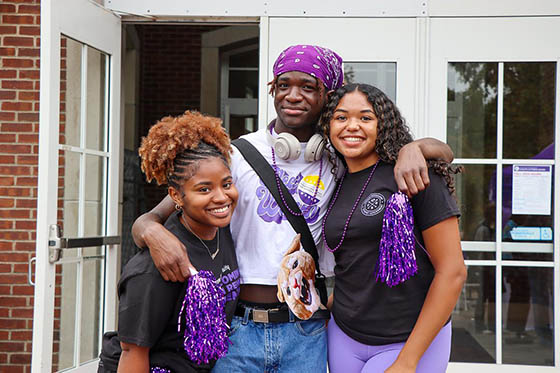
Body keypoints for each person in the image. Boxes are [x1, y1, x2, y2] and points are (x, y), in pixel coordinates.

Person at [131, 45, 454, 372]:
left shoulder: (341, 159)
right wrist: (151, 232)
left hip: (306, 330)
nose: (293, 95)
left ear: (327, 96)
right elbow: (159, 212)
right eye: (283, 85)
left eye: (308, 87)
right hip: (239, 330)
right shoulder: (236, 154)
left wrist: (414, 147)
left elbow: (439, 152)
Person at [320, 83, 466, 373]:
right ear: (328, 126)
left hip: (405, 341)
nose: (352, 126)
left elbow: (453, 272)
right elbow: (355, 259)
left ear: (383, 124)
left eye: (365, 117)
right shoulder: (335, 181)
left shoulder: (413, 174)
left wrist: (408, 361)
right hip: (344, 336)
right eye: (341, 117)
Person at [98, 111, 240, 373]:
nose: (222, 197)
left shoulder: (220, 233)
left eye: (227, 184)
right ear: (176, 195)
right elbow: (132, 352)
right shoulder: (155, 266)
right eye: (204, 189)